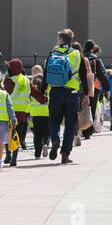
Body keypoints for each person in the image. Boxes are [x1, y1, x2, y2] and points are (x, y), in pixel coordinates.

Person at [41, 29, 90, 164]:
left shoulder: (53, 53)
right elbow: (83, 76)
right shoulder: (77, 54)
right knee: (70, 124)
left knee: (54, 121)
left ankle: (55, 140)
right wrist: (86, 94)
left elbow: (45, 74)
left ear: (61, 40)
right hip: (72, 93)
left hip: (55, 92)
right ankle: (65, 153)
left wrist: (43, 91)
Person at [4, 59, 46, 165]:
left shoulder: (9, 80)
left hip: (9, 112)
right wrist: (44, 100)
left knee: (8, 134)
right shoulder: (26, 80)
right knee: (17, 134)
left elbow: (5, 94)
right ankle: (14, 158)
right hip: (22, 113)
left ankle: (8, 155)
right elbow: (35, 92)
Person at [82, 41, 110, 140]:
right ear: (92, 48)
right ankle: (88, 131)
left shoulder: (80, 56)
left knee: (82, 107)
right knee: (92, 108)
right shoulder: (95, 58)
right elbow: (102, 74)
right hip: (93, 86)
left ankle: (81, 128)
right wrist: (107, 88)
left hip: (80, 86)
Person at [30, 74, 50, 159]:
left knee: (37, 135)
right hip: (47, 114)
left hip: (35, 115)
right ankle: (45, 144)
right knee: (47, 133)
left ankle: (37, 154)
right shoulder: (48, 89)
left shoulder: (32, 91)